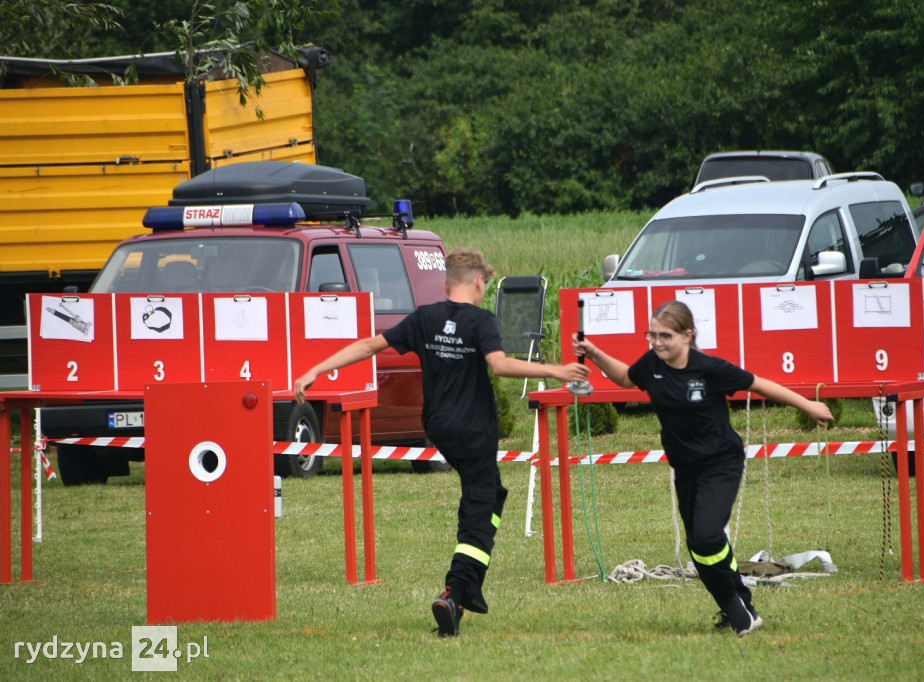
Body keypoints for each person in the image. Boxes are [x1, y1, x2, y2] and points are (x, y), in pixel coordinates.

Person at [294, 247, 590, 637]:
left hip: (439, 427)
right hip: (473, 429)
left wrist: (316, 369)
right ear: (480, 283)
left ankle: (466, 595)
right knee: (480, 507)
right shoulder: (481, 321)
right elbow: (499, 365)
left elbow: (369, 345)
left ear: (446, 282)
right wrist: (556, 369)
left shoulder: (424, 317)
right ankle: (456, 592)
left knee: (488, 495)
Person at [572, 300, 833, 636]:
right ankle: (739, 606)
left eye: (665, 336)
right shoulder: (652, 364)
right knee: (698, 546)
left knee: (708, 536)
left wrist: (808, 404)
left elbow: (759, 384)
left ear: (687, 334)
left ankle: (738, 607)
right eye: (652, 335)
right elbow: (624, 378)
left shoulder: (709, 368)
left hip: (721, 462)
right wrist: (593, 352)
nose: (657, 342)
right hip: (685, 469)